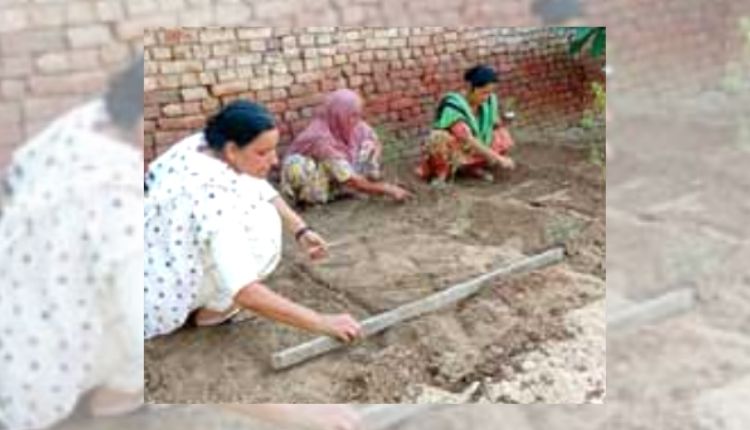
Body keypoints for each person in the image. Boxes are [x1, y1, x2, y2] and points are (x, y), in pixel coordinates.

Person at [0, 56, 145, 428]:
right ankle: (112, 396)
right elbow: (141, 325)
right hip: (35, 375)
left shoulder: (82, 123)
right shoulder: (117, 199)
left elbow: (13, 177)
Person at [144, 100, 363, 345]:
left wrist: (300, 229)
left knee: (255, 210)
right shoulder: (211, 196)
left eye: (272, 149)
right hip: (167, 285)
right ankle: (212, 313)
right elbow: (246, 291)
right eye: (262, 152)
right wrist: (323, 322)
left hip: (153, 253)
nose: (274, 161)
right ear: (231, 150)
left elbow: (258, 184)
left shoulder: (204, 145)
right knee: (258, 237)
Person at [281, 89, 411, 205]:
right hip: (315, 180)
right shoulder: (320, 138)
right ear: (338, 115)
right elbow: (348, 178)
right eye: (352, 115)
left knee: (368, 144)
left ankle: (356, 186)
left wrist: (374, 170)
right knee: (298, 166)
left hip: (336, 175)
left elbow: (375, 142)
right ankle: (311, 201)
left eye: (358, 114)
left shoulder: (354, 126)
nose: (357, 119)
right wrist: (387, 189)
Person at [416, 65, 516, 185]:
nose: (487, 97)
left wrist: (504, 121)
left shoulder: (489, 101)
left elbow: (494, 123)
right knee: (438, 138)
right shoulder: (454, 105)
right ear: (470, 87)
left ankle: (471, 168)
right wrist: (498, 159)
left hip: (474, 145)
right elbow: (466, 138)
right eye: (483, 92)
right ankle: (441, 175)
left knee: (501, 134)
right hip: (458, 147)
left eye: (490, 92)